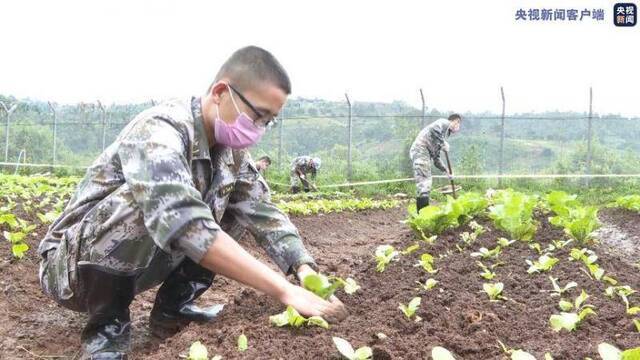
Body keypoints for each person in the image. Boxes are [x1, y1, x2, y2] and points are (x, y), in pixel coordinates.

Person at [37, 46, 347, 360]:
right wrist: (283, 290)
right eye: (258, 115)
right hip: (71, 269)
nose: (259, 129)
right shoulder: (159, 131)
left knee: (234, 207)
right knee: (150, 203)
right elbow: (183, 222)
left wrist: (302, 268)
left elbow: (263, 211)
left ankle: (173, 310)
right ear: (221, 92)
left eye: (269, 121)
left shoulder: (231, 152)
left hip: (133, 263)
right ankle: (106, 330)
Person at [409, 113, 462, 212]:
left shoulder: (441, 135)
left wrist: (446, 171)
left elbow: (436, 159)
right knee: (425, 182)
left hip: (424, 154)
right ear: (456, 121)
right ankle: (423, 214)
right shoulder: (443, 123)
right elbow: (434, 129)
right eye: (458, 124)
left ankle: (422, 214)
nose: (458, 127)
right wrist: (443, 143)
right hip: (420, 151)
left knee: (425, 183)